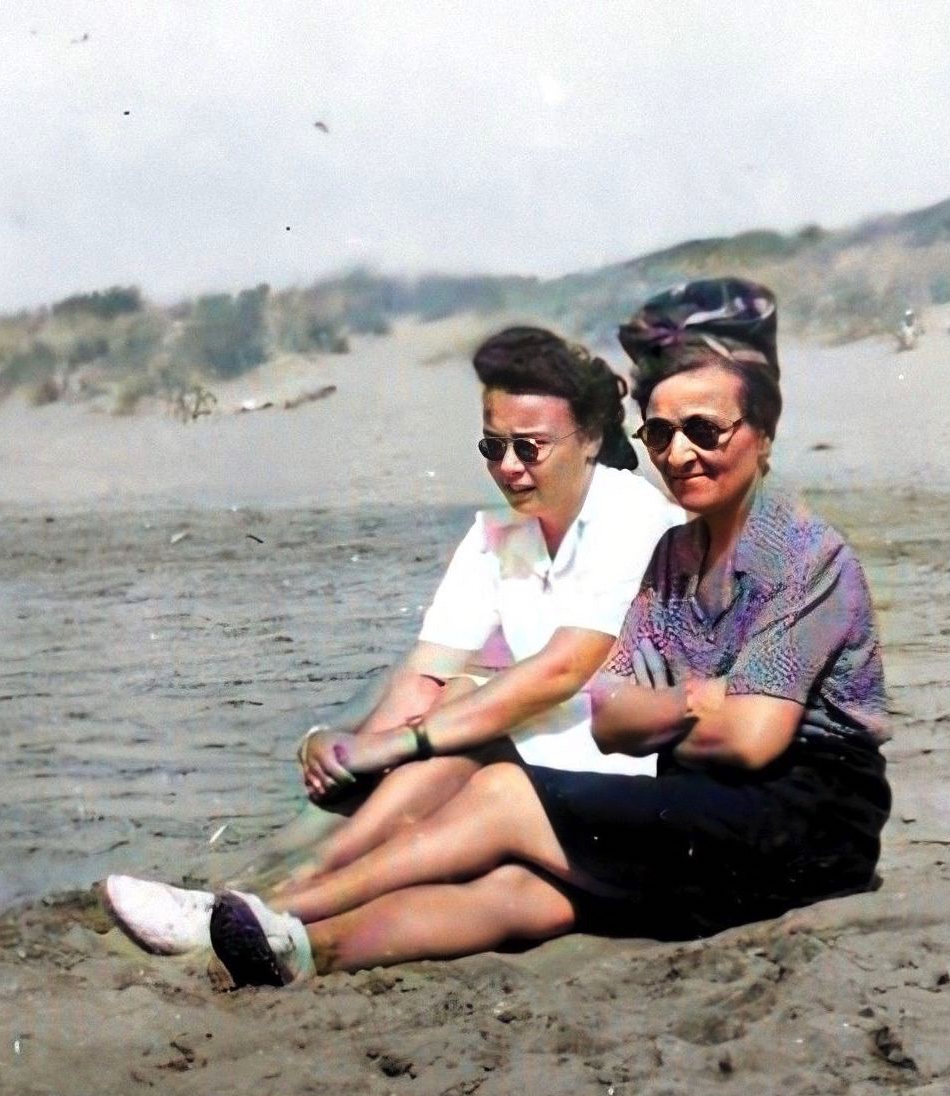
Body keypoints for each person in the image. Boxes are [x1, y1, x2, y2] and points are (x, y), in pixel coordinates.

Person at [201, 277, 893, 988]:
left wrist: (672, 708)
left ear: (764, 434)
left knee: (506, 794)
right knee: (525, 893)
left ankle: (283, 906)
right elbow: (612, 721)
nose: (680, 453)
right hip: (701, 809)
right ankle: (305, 949)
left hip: (808, 825)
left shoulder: (802, 553)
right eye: (660, 433)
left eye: (705, 430)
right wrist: (699, 699)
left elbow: (751, 740)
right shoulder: (673, 557)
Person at [102, 324, 683, 956]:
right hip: (524, 761)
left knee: (464, 727)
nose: (509, 467)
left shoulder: (634, 517)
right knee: (441, 710)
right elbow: (429, 669)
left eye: (530, 447)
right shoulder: (497, 532)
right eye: (493, 447)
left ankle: (264, 897)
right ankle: (248, 890)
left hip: (615, 773)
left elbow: (561, 671)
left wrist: (398, 742)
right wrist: (348, 749)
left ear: (590, 438)